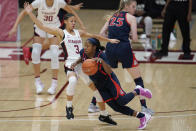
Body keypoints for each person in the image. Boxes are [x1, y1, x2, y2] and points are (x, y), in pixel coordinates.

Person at [24, 3, 119, 124]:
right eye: (71, 21)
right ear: (65, 22)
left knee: (97, 91)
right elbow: (42, 26)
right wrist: (30, 13)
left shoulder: (79, 32)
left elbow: (94, 36)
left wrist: (109, 40)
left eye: (75, 21)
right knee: (73, 81)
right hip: (70, 64)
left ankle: (104, 115)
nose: (74, 23)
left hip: (83, 65)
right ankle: (69, 107)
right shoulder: (61, 32)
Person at [72, 38, 152, 130]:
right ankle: (142, 117)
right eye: (84, 45)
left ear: (94, 47)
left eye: (88, 46)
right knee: (116, 108)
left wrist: (101, 61)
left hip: (110, 81)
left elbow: (109, 71)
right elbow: (82, 58)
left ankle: (138, 90)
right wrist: (76, 62)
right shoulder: (83, 52)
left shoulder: (101, 55)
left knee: (122, 101)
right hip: (99, 86)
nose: (85, 48)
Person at [9, 0, 85, 95]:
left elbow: (71, 11)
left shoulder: (59, 2)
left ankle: (54, 83)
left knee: (54, 52)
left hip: (54, 27)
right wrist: (15, 27)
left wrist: (81, 24)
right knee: (35, 52)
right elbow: (23, 13)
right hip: (40, 27)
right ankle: (38, 82)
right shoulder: (38, 2)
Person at [99, 0, 154, 115]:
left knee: (104, 78)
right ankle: (144, 107)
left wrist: (112, 37)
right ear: (127, 6)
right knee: (138, 79)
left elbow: (101, 34)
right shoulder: (131, 18)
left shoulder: (112, 16)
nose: (135, 9)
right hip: (124, 49)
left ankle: (93, 104)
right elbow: (134, 39)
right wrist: (127, 35)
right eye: (133, 6)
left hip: (110, 48)